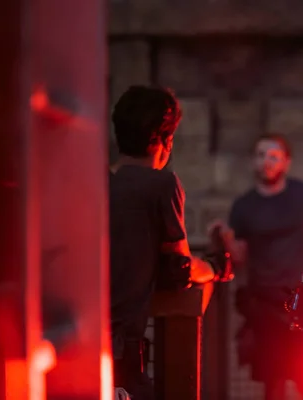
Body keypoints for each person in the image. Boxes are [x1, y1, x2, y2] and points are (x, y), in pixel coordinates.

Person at [109, 85, 215, 400]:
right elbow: (180, 268)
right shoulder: (161, 184)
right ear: (164, 140)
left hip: (82, 342)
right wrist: (212, 268)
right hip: (122, 347)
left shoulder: (98, 181)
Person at [211, 133, 303, 400]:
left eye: (273, 156)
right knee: (273, 376)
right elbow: (240, 258)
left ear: (286, 162)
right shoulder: (244, 206)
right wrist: (225, 238)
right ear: (253, 161)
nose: (267, 161)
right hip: (265, 302)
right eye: (260, 155)